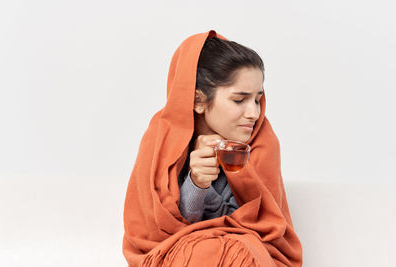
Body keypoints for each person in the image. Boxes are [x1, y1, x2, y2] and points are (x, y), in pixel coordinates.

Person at [122, 30, 303, 266]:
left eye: (258, 99)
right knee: (205, 251)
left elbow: (261, 231)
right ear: (198, 100)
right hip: (178, 257)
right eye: (239, 100)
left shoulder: (262, 142)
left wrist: (228, 173)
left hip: (249, 257)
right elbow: (160, 234)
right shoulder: (161, 140)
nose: (254, 113)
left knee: (233, 249)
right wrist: (197, 183)